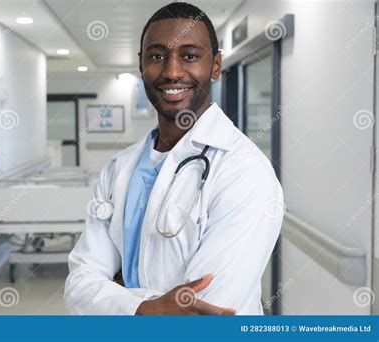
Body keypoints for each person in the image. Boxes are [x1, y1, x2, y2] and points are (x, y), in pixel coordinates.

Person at [64, 2, 284, 315]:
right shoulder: (119, 169)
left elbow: (204, 311)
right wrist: (145, 308)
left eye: (190, 56)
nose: (172, 71)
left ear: (216, 65)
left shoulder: (245, 171)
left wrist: (118, 295)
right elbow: (78, 288)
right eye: (157, 56)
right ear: (141, 65)